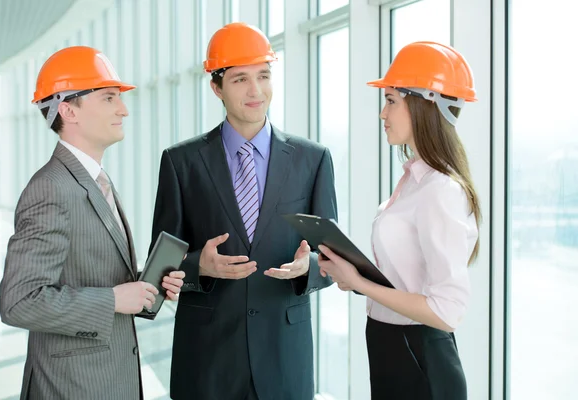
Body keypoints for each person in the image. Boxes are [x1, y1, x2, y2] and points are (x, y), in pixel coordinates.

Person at [150, 22, 337, 400]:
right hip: (207, 359)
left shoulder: (312, 159)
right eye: (239, 80)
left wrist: (309, 268)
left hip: (284, 357)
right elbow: (160, 268)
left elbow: (332, 257)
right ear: (216, 86)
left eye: (263, 76)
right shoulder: (180, 162)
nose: (256, 91)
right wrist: (198, 266)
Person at [0, 46, 185, 400]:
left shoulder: (95, 180)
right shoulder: (51, 189)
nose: (123, 109)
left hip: (105, 380)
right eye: (109, 98)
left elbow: (91, 271)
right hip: (72, 387)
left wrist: (146, 286)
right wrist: (114, 300)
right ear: (68, 110)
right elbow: (19, 300)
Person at [318, 41, 481, 400]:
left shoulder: (440, 189)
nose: (382, 113)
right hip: (391, 346)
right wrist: (353, 275)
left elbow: (446, 311)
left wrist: (360, 282)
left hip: (420, 357)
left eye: (391, 100)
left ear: (424, 104)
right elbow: (406, 278)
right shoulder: (412, 179)